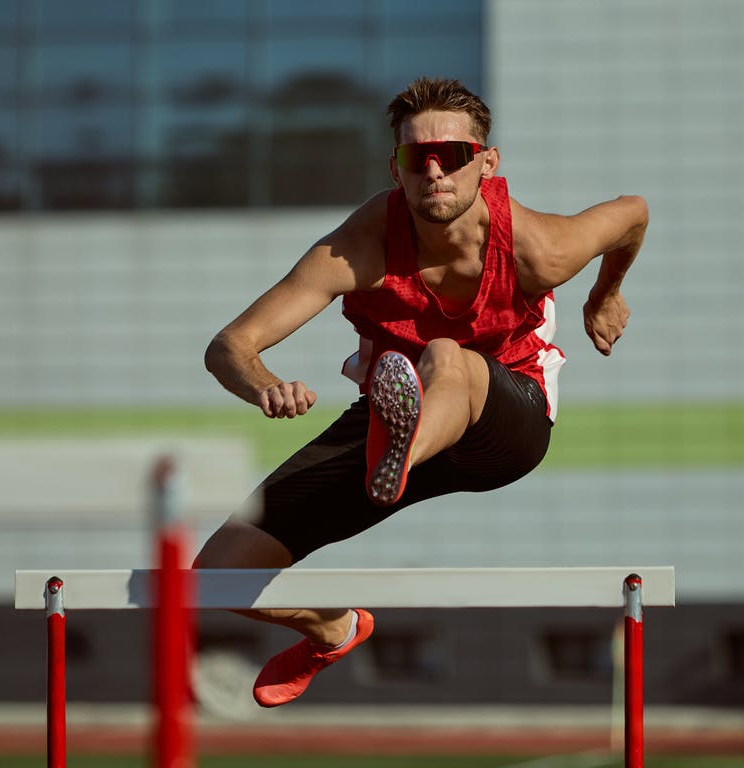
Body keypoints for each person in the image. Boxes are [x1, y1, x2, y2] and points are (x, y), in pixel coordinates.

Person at [195, 77, 648, 708]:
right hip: (391, 414)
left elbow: (632, 212)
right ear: (396, 168)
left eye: (454, 156)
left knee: (445, 359)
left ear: (486, 163)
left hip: (505, 422)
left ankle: (402, 451)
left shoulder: (539, 249)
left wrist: (604, 294)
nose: (434, 171)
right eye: (416, 158)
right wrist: (265, 386)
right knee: (215, 575)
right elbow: (230, 347)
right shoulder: (360, 245)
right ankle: (333, 629)